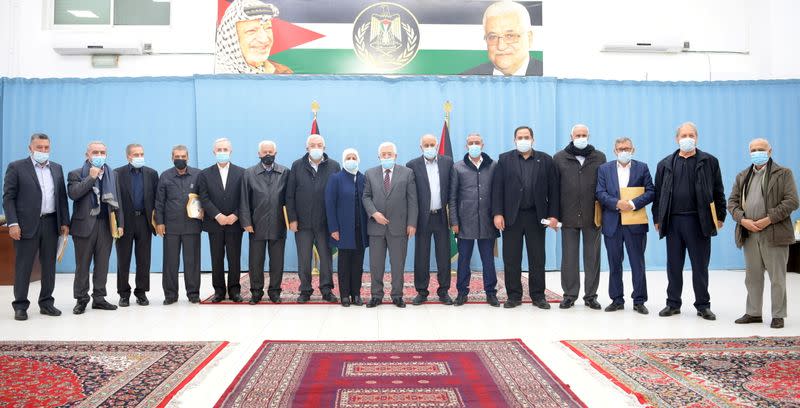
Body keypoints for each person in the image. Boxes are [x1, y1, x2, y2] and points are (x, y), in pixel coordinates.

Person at [653, 122, 726, 321]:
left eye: (691, 135)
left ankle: (703, 305)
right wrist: (657, 217)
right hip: (673, 221)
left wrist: (720, 216)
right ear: (677, 139)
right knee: (673, 266)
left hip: (699, 221)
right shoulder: (665, 164)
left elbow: (719, 191)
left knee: (700, 266)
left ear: (697, 138)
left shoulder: (709, 161)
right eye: (684, 135)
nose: (687, 138)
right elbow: (658, 194)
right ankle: (673, 304)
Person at [728, 138, 798, 329]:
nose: (757, 152)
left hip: (774, 232)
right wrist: (743, 220)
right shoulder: (743, 176)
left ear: (770, 151)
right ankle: (753, 313)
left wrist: (768, 219)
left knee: (777, 276)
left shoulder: (783, 174)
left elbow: (792, 201)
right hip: (749, 233)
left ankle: (778, 315)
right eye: (753, 149)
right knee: (752, 276)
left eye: (761, 149)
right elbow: (732, 203)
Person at [3, 133, 70, 321]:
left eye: (46, 147)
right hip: (25, 225)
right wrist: (13, 223)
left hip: (51, 223)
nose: (43, 151)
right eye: (39, 147)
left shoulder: (57, 169)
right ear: (30, 148)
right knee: (23, 266)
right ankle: (20, 305)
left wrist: (65, 222)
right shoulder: (16, 167)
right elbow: (8, 197)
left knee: (49, 266)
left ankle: (47, 303)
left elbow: (62, 198)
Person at [492, 125, 559, 309]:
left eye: (526, 137)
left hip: (537, 217)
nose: (523, 140)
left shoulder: (545, 160)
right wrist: (497, 213)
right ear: (514, 140)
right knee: (511, 258)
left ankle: (538, 296)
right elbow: (497, 189)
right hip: (511, 217)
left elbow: (553, 191)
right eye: (519, 137)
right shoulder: (504, 159)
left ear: (533, 139)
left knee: (537, 258)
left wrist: (553, 215)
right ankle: (514, 296)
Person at [596, 137, 655, 314]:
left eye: (627, 148)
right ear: (615, 151)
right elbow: (600, 192)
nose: (624, 151)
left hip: (635, 223)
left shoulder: (642, 167)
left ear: (633, 150)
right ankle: (616, 299)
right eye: (620, 148)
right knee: (614, 263)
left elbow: (651, 191)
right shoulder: (604, 169)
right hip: (612, 223)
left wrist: (633, 203)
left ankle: (639, 300)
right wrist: (617, 203)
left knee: (638, 263)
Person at [553, 124, 606, 310]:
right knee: (569, 258)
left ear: (589, 136)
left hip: (592, 216)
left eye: (584, 135)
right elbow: (554, 189)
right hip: (567, 216)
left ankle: (591, 296)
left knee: (592, 257)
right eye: (578, 135)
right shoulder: (559, 158)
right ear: (571, 136)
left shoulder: (599, 157)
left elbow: (604, 186)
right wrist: (555, 215)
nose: (581, 137)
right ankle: (569, 295)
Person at [68, 141, 123, 314]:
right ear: (87, 155)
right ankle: (81, 299)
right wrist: (91, 178)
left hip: (106, 226)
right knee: (82, 265)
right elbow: (74, 194)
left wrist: (120, 224)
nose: (99, 155)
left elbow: (118, 200)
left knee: (102, 264)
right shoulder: (76, 173)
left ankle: (99, 298)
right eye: (95, 152)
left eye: (102, 152)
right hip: (84, 226)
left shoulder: (112, 174)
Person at [362, 142, 418, 308]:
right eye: (383, 154)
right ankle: (376, 295)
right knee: (376, 264)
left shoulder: (407, 173)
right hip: (376, 228)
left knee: (398, 264)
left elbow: (412, 200)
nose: (386, 157)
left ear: (395, 156)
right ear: (379, 156)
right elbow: (366, 197)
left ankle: (397, 295)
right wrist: (374, 213)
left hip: (399, 227)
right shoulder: (370, 173)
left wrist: (412, 223)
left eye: (389, 154)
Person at [286, 134, 340, 303]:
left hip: (325, 223)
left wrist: (335, 224)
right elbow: (289, 195)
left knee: (326, 257)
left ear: (324, 148)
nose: (316, 148)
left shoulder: (334, 166)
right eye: (312, 145)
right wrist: (292, 219)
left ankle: (326, 289)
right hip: (302, 223)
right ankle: (305, 290)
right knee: (303, 258)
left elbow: (338, 195)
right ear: (307, 148)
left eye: (319, 145)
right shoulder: (296, 166)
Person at [449, 133, 500, 306]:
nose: (474, 145)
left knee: (488, 260)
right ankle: (462, 292)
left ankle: (491, 293)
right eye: (471, 143)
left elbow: (498, 194)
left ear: (482, 144)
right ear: (466, 146)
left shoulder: (493, 166)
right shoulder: (458, 167)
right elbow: (452, 197)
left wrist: (497, 215)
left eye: (477, 142)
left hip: (487, 221)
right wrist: (454, 221)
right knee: (463, 260)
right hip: (465, 222)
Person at [406, 134, 454, 305]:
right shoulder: (412, 165)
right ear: (421, 147)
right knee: (421, 256)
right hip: (422, 218)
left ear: (437, 145)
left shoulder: (448, 163)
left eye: (432, 144)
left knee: (443, 255)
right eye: (426, 145)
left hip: (441, 216)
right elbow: (410, 196)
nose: (429, 147)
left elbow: (452, 191)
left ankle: (443, 291)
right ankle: (422, 291)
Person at [240, 140, 289, 304]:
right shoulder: (249, 173)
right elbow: (244, 200)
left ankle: (275, 291)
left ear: (275, 153)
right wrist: (246, 221)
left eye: (270, 152)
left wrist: (290, 221)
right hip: (256, 224)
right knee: (256, 261)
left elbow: (289, 200)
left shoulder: (285, 172)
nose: (268, 155)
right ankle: (256, 292)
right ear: (259, 154)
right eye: (264, 152)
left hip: (278, 223)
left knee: (277, 261)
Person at [198, 138, 245, 303]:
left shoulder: (242, 172)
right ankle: (218, 291)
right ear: (214, 152)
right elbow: (204, 198)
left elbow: (245, 198)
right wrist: (218, 216)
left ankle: (234, 291)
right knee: (216, 258)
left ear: (230, 151)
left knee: (234, 258)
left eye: (225, 149)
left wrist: (235, 215)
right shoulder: (204, 174)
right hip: (214, 224)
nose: (222, 152)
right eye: (219, 150)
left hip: (235, 223)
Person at [155, 145, 202, 305]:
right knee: (170, 262)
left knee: (192, 262)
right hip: (171, 227)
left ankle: (193, 293)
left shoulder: (197, 174)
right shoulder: (165, 176)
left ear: (188, 158)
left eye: (183, 156)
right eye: (177, 156)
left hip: (192, 226)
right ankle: (170, 295)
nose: (180, 159)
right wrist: (159, 222)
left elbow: (204, 197)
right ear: (172, 158)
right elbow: (159, 202)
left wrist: (203, 213)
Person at [114, 143, 159, 307]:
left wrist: (157, 221)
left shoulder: (152, 174)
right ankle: (123, 293)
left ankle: (141, 292)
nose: (140, 157)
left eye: (142, 154)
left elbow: (157, 200)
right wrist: (118, 223)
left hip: (144, 221)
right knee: (123, 259)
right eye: (136, 154)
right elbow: (114, 201)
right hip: (124, 222)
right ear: (128, 157)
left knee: (143, 259)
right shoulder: (117, 174)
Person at [325, 148, 369, 307]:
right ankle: (344, 295)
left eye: (354, 157)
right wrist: (333, 228)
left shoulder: (364, 178)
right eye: (349, 157)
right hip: (342, 230)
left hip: (361, 230)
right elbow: (330, 205)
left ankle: (356, 294)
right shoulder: (335, 178)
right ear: (344, 160)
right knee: (344, 263)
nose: (352, 160)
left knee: (358, 263)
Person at [462, 1, 542, 76]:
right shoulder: (466, 81)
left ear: (529, 38)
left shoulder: (549, 76)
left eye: (509, 36)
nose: (501, 46)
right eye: (493, 37)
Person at [215, 0, 293, 74]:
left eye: (268, 28)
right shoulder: (216, 74)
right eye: (252, 31)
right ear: (231, 39)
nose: (264, 39)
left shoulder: (282, 72)